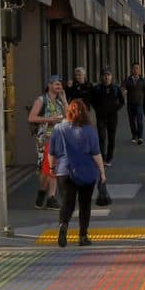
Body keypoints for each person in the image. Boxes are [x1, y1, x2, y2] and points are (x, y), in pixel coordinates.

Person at [49, 99, 105, 248]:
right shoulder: (89, 130)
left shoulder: (58, 129)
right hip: (86, 171)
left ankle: (63, 224)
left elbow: (52, 153)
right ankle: (83, 236)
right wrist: (102, 172)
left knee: (67, 203)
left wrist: (52, 168)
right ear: (85, 113)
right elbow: (96, 154)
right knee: (85, 204)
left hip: (64, 171)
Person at [28, 76, 68, 210]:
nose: (59, 86)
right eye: (56, 84)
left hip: (57, 139)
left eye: (60, 85)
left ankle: (51, 197)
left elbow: (69, 116)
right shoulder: (41, 100)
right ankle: (42, 192)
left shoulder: (59, 102)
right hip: (43, 139)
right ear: (49, 85)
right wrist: (49, 119)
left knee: (54, 167)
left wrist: (64, 99)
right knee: (44, 171)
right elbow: (31, 117)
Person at [89, 68, 125, 166]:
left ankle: (109, 158)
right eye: (104, 75)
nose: (106, 77)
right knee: (101, 138)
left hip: (112, 117)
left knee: (111, 138)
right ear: (101, 77)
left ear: (111, 77)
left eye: (108, 75)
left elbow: (122, 101)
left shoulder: (115, 88)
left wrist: (115, 108)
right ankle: (102, 158)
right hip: (101, 117)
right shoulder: (97, 88)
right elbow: (91, 100)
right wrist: (97, 108)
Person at [122, 61, 145, 149]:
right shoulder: (128, 80)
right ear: (131, 70)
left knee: (139, 121)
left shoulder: (142, 80)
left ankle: (140, 137)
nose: (136, 70)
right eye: (134, 68)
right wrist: (123, 91)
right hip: (130, 104)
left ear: (139, 70)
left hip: (139, 104)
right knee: (132, 121)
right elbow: (123, 87)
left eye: (137, 68)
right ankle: (134, 135)